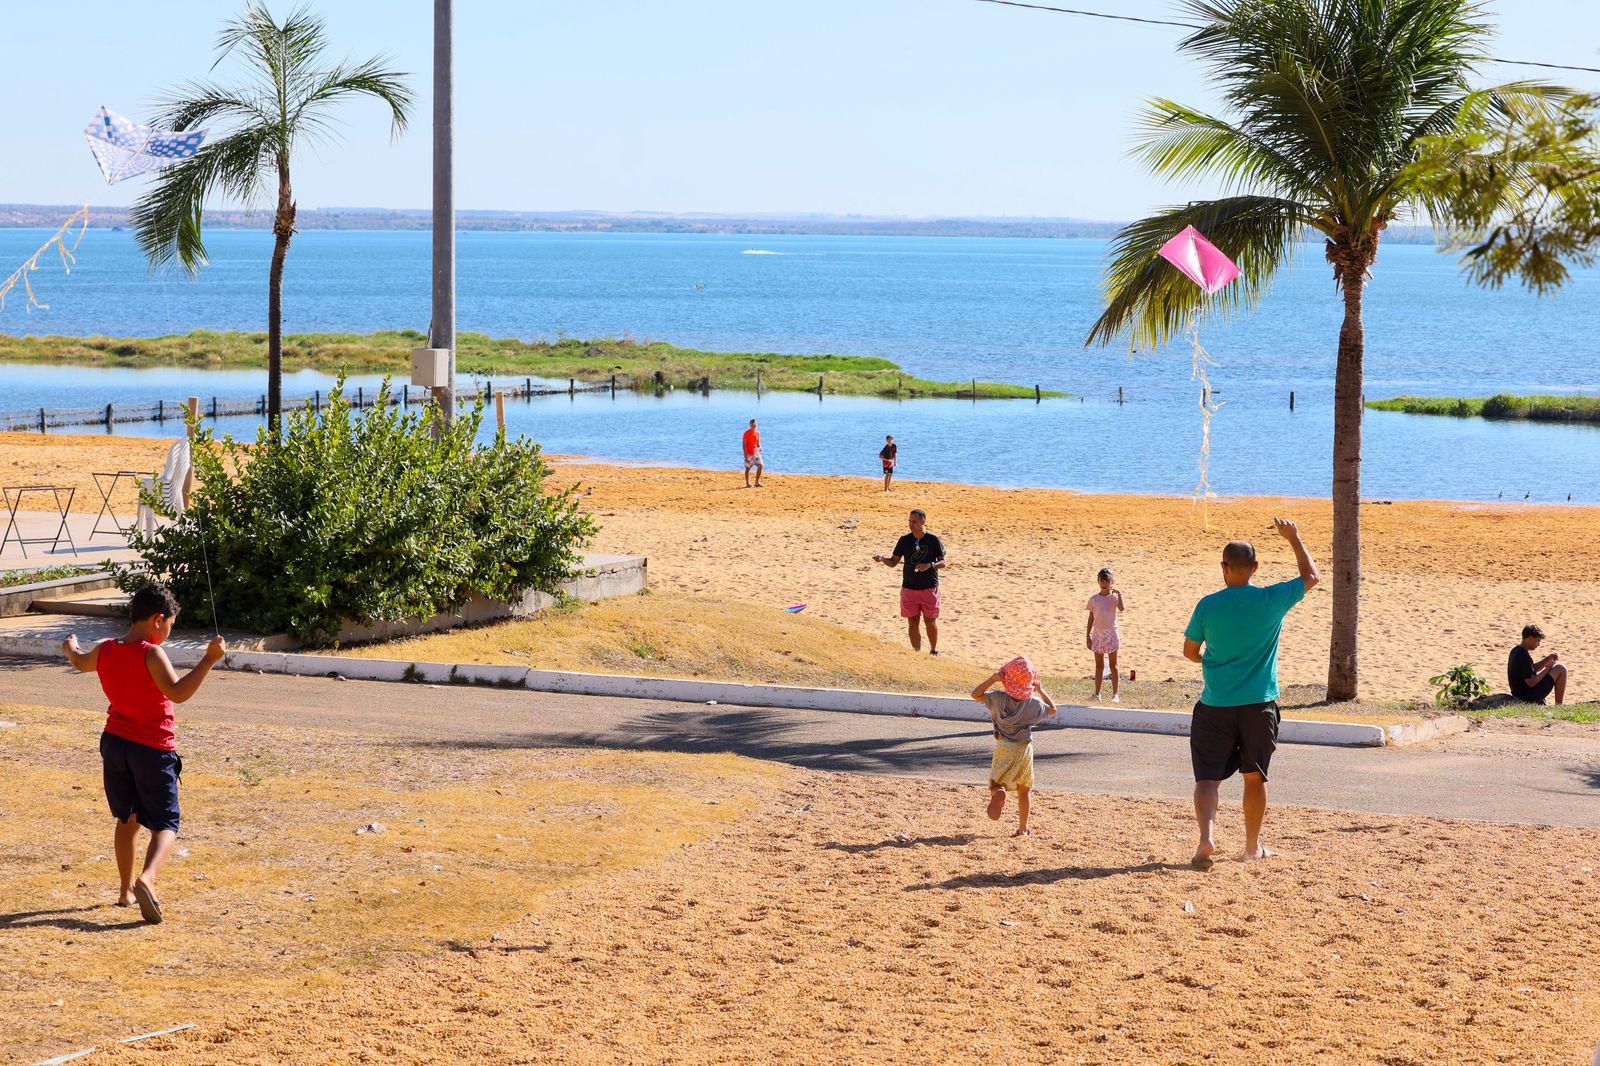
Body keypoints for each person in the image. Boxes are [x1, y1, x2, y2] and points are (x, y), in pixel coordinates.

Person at [61, 583, 227, 924]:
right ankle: (147, 880)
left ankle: (124, 891)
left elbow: (79, 662)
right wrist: (209, 660)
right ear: (157, 619)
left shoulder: (106, 649)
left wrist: (71, 647)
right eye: (170, 626)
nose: (167, 633)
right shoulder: (150, 652)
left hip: (115, 744)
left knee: (128, 818)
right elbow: (177, 692)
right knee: (166, 823)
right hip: (152, 748)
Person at [1181, 518, 1318, 870]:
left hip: (1215, 706)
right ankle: (1252, 847)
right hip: (1259, 706)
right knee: (1254, 777)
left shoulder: (1208, 605)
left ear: (1224, 568)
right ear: (1255, 568)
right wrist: (1295, 539)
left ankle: (1206, 838)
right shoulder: (1272, 598)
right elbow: (1312, 577)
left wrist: (1204, 659)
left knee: (1207, 778)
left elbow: (1190, 650)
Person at [971, 656, 1058, 837]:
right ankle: (1023, 829)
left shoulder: (998, 699)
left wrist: (993, 679)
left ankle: (999, 792)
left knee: (996, 782)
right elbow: (1052, 709)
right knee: (1024, 789)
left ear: (1006, 679)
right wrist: (1041, 691)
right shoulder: (1033, 704)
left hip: (1004, 746)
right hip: (1024, 748)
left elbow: (975, 694)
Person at [872, 508, 946, 654]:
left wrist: (929, 565)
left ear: (923, 521)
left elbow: (943, 563)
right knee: (912, 622)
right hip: (909, 588)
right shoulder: (905, 540)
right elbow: (894, 561)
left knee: (930, 622)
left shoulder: (933, 539)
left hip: (929, 587)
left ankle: (933, 650)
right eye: (909, 521)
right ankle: (916, 652)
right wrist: (882, 559)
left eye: (914, 521)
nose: (911, 524)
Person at [1085, 567, 1125, 702]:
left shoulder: (1114, 598)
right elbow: (1091, 618)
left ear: (1111, 582)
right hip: (1097, 634)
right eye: (1102, 581)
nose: (1104, 584)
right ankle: (1097, 694)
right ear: (1098, 582)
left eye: (1107, 581)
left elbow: (1122, 608)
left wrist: (1119, 595)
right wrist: (1088, 636)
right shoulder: (1094, 599)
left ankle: (1115, 694)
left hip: (1111, 633)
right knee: (1099, 665)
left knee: (1114, 665)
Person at [1508, 624, 1568, 705]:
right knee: (1561, 669)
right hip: (1527, 697)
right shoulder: (1523, 655)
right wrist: (1548, 668)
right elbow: (1531, 682)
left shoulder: (1516, 650)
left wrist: (1548, 659)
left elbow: (1530, 670)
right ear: (1530, 639)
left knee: (1559, 668)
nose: (1538, 644)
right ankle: (1559, 706)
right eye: (1537, 641)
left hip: (1520, 694)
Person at [742, 419, 763, 488]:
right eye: (752, 424)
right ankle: (747, 483)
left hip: (756, 453)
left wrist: (760, 448)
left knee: (760, 465)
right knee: (748, 468)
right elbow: (744, 445)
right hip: (748, 454)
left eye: (755, 425)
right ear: (750, 425)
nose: (754, 426)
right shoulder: (746, 433)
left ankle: (757, 482)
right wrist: (745, 455)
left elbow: (758, 443)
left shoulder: (758, 433)